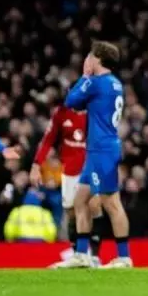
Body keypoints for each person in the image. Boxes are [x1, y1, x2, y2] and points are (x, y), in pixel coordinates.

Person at [61, 41, 132, 268]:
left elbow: (70, 101)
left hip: (101, 150)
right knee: (80, 200)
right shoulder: (115, 84)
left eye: (90, 56)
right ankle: (82, 254)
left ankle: (124, 257)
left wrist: (84, 76)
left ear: (97, 59)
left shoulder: (95, 82)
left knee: (111, 203)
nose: (87, 59)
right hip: (101, 149)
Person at [30, 98, 105, 266]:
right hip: (69, 170)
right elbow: (48, 139)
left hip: (90, 167)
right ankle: (77, 254)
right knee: (71, 212)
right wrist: (36, 165)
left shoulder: (94, 112)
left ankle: (94, 255)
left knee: (93, 206)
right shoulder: (61, 113)